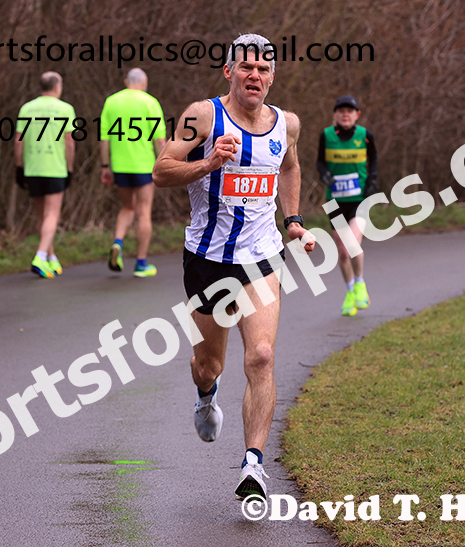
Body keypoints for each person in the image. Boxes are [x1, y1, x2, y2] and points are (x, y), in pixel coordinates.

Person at [152, 34, 315, 501]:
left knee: (261, 356)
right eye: (246, 68)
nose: (255, 76)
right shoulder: (201, 116)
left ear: (272, 76)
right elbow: (161, 171)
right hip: (207, 261)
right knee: (209, 364)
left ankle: (253, 466)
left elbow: (289, 167)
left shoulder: (288, 123)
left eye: (264, 70)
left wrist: (295, 221)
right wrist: (207, 163)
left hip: (262, 258)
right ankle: (206, 394)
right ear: (229, 72)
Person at [100, 68, 166, 278]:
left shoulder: (111, 101)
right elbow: (159, 140)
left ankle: (118, 242)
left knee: (127, 207)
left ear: (125, 81)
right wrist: (164, 165)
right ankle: (141, 263)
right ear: (144, 82)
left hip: (120, 165)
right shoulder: (150, 103)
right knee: (144, 211)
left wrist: (105, 166)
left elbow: (104, 139)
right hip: (144, 165)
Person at [316, 95, 378, 316]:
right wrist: (325, 175)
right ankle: (350, 291)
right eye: (341, 110)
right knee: (342, 252)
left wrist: (372, 182)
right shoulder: (326, 135)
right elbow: (320, 162)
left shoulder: (365, 136)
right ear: (335, 114)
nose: (345, 114)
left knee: (352, 243)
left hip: (358, 199)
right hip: (334, 201)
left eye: (350, 111)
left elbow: (374, 161)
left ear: (357, 115)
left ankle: (360, 283)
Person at [15, 72, 76, 278]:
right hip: (54, 167)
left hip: (32, 167)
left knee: (42, 215)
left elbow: (18, 140)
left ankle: (51, 258)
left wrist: (19, 166)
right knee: (52, 214)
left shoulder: (26, 108)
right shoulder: (65, 109)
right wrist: (70, 168)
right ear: (57, 87)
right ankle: (40, 256)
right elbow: (69, 142)